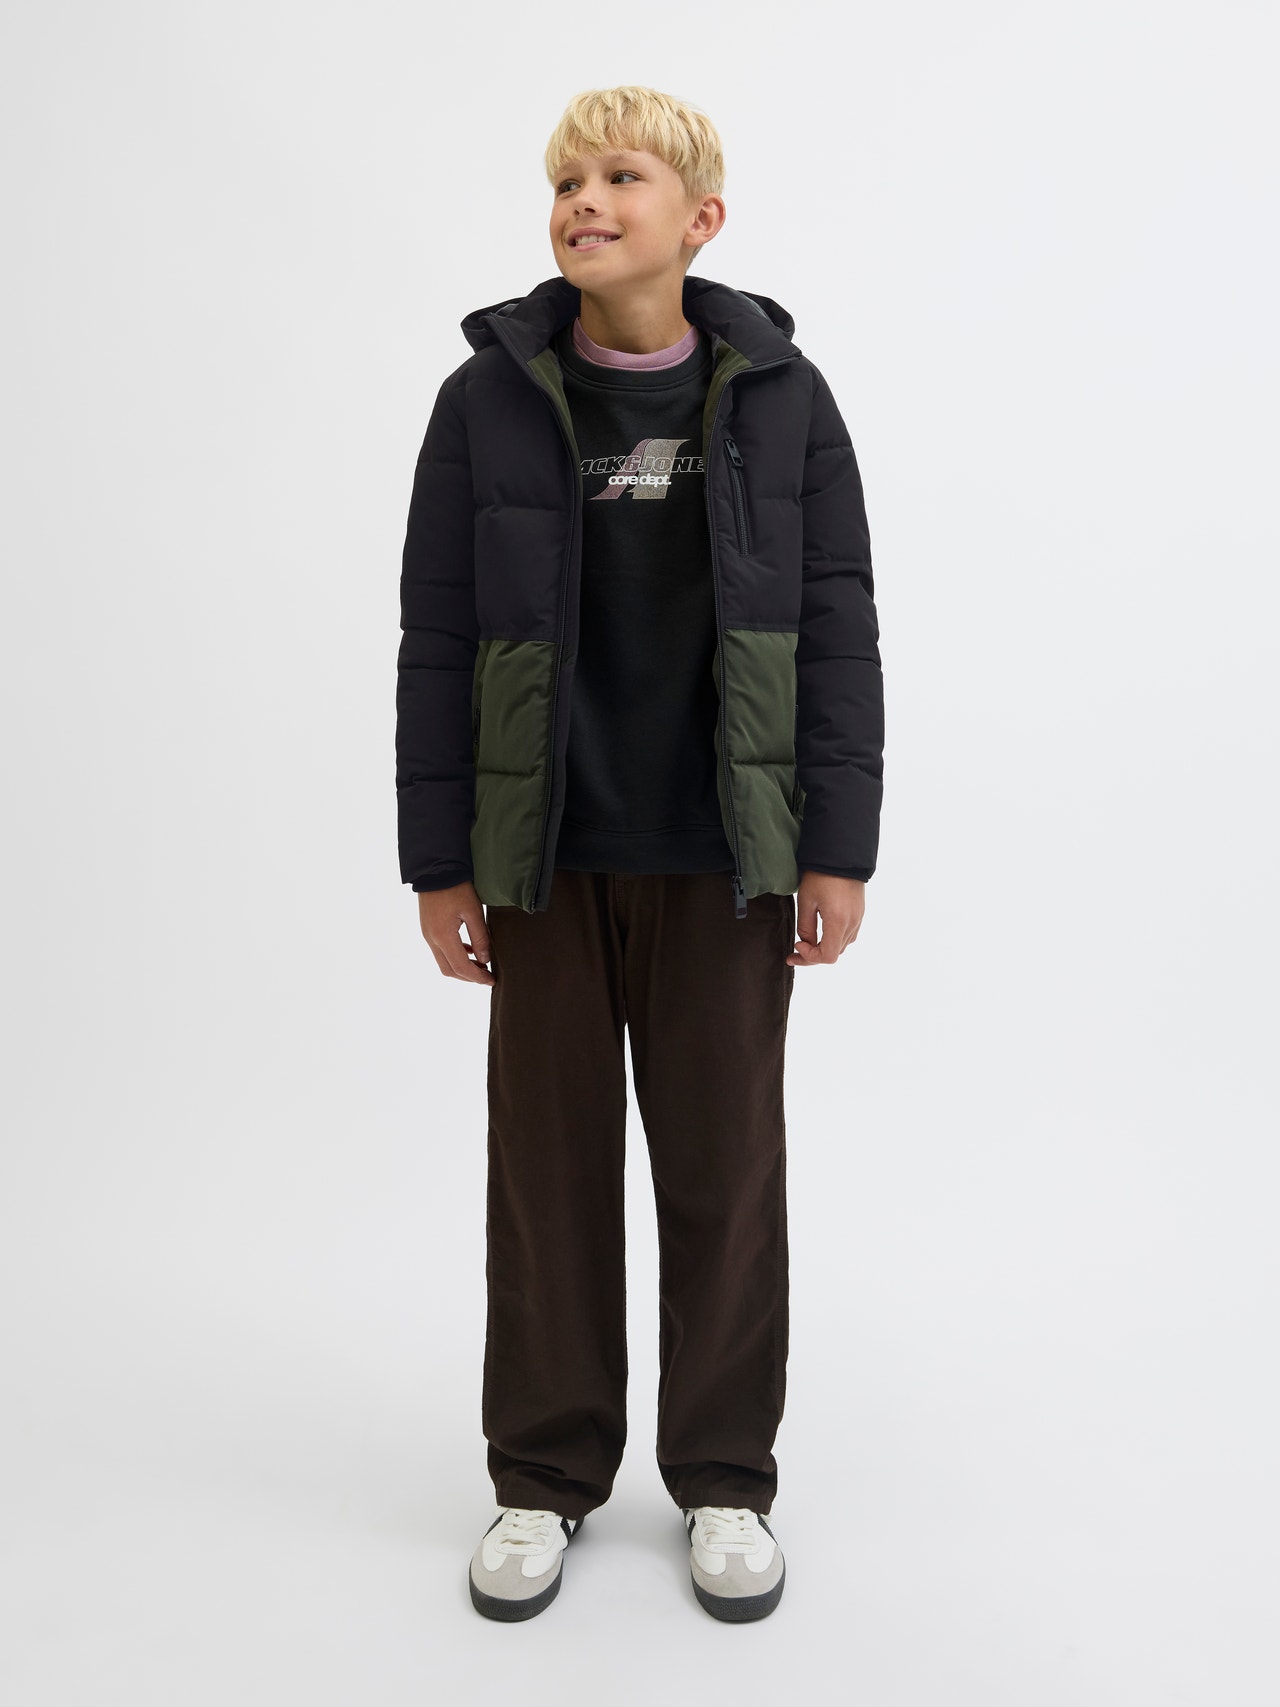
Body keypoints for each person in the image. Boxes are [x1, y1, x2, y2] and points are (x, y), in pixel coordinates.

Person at [395, 84, 884, 1624]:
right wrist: (439, 862)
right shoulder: (486, 399)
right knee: (545, 1177)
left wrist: (836, 847)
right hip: (541, 858)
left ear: (700, 219)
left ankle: (725, 1475)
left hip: (726, 858)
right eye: (565, 181)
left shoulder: (784, 397)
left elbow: (837, 633)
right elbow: (436, 639)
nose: (583, 202)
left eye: (619, 176)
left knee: (728, 1172)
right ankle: (543, 1476)